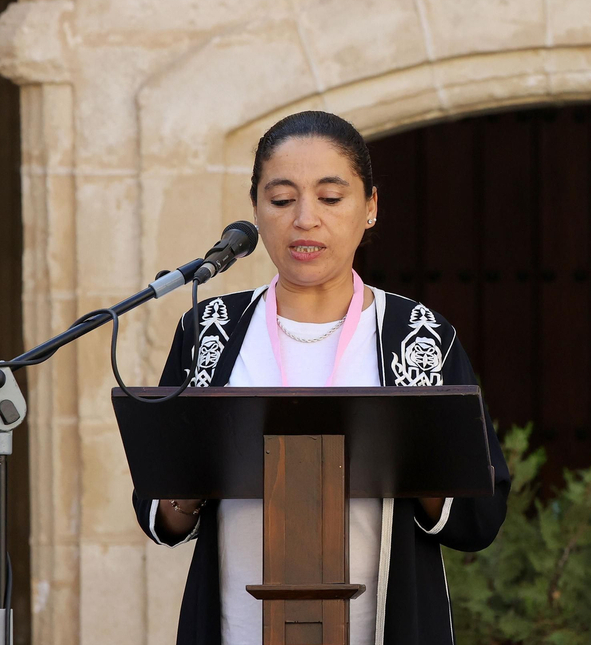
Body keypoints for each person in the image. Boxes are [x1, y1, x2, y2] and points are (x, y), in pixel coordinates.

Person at [133, 110, 510, 645]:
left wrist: (414, 454)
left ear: (371, 207)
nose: (305, 219)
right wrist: (182, 489)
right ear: (256, 212)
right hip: (236, 627)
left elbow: (481, 515)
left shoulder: (416, 334)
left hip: (383, 628)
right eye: (282, 200)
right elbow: (158, 512)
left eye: (331, 198)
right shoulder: (210, 331)